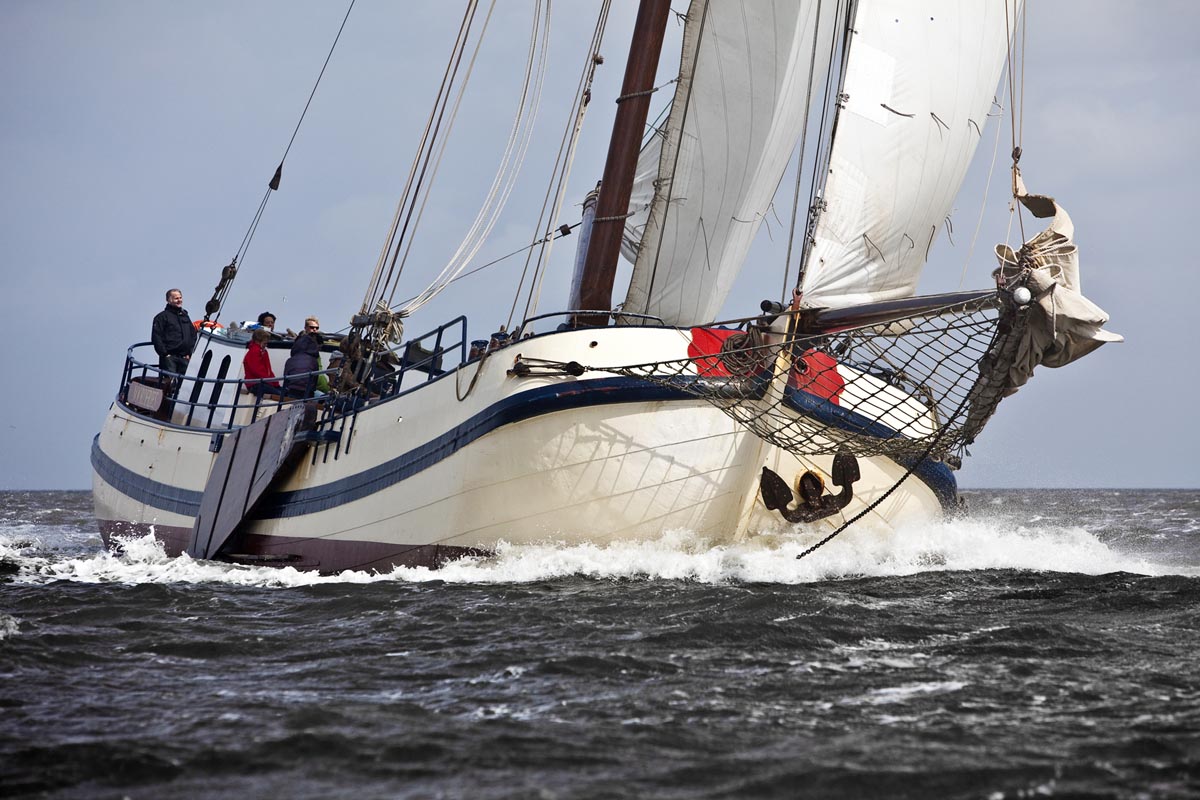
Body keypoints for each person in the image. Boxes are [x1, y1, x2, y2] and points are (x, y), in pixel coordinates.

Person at [151, 288, 197, 380]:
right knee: (170, 384)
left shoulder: (185, 316)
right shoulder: (161, 317)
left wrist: (189, 353)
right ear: (168, 300)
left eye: (180, 298)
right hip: (170, 358)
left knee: (186, 385)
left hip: (184, 358)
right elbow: (156, 337)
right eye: (176, 298)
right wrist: (165, 354)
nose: (179, 300)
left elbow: (193, 335)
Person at [282, 317, 329, 398]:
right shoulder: (313, 358)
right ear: (305, 328)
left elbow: (286, 376)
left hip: (290, 391)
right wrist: (327, 389)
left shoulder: (292, 357)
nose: (314, 329)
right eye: (312, 327)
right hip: (307, 392)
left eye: (316, 328)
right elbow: (317, 378)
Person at [242, 328, 281, 398]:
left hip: (263, 382)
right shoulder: (254, 352)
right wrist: (271, 382)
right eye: (265, 343)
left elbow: (268, 370)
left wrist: (275, 383)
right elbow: (256, 370)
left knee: (282, 391)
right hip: (255, 384)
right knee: (279, 394)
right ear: (258, 341)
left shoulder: (263, 352)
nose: (266, 345)